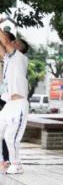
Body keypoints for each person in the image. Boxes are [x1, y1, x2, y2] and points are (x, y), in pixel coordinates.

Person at [0, 29, 29, 174]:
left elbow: (5, 41)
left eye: (16, 42)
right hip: (9, 104)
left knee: (10, 137)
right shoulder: (8, 58)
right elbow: (2, 45)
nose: (13, 42)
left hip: (19, 104)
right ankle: (2, 162)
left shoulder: (20, 58)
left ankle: (16, 165)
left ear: (21, 49)